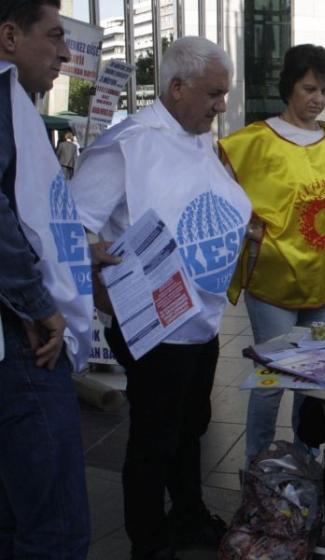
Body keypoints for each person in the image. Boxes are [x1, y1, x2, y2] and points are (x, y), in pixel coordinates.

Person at [71, 37, 251, 559]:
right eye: (214, 94)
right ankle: (148, 540)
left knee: (192, 423)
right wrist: (98, 269)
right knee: (154, 434)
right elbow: (76, 226)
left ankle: (188, 513)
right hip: (151, 321)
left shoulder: (199, 140)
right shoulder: (126, 144)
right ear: (176, 88)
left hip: (201, 317)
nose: (221, 106)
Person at [218, 44, 325, 465]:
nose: (317, 98)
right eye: (309, 88)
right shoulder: (254, 142)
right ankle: (258, 464)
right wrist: (246, 225)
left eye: (324, 90)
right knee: (273, 375)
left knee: (314, 376)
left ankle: (305, 461)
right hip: (273, 279)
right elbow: (222, 197)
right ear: (289, 88)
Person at [0, 1, 94, 556]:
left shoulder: (17, 103)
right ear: (10, 36)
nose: (64, 52)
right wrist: (39, 305)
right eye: (54, 35)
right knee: (55, 529)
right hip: (26, 346)